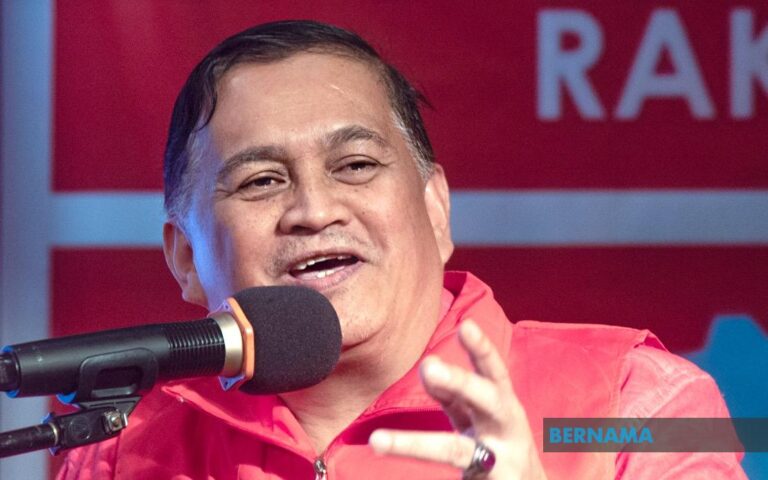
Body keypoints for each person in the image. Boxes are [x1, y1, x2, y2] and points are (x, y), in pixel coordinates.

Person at [58, 20, 745, 479]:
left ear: (436, 208)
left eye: (356, 165)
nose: (315, 210)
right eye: (262, 181)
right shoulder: (121, 446)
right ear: (183, 258)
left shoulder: (646, 401)